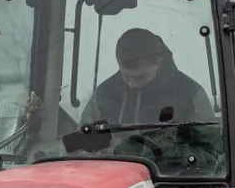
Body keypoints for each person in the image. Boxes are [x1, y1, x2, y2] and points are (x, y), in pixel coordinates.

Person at [82, 28, 215, 125]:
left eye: (139, 77)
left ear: (158, 63)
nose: (131, 84)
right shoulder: (103, 94)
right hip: (115, 164)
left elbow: (209, 149)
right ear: (118, 60)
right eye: (125, 76)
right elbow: (79, 144)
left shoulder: (190, 95)